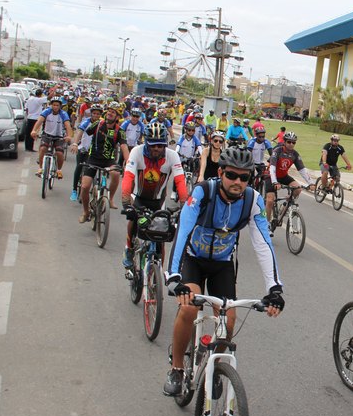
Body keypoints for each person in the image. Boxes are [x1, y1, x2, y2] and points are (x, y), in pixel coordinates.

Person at [162, 148, 285, 396]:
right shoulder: (203, 192)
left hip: (222, 264)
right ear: (220, 173)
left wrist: (274, 288)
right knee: (188, 308)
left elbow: (263, 243)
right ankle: (176, 368)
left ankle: (215, 369)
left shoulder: (252, 201)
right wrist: (173, 276)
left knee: (228, 321)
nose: (238, 182)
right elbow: (183, 229)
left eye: (244, 177)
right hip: (193, 260)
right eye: (231, 175)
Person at [121, 123, 189, 268]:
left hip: (159, 202)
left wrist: (185, 205)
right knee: (133, 220)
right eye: (152, 145)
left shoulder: (172, 156)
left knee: (161, 240)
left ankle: (156, 272)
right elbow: (128, 177)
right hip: (139, 198)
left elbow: (180, 181)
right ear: (146, 143)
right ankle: (129, 248)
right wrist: (126, 202)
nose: (156, 148)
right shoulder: (136, 152)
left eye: (160, 145)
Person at [75, 104, 126, 221]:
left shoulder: (120, 131)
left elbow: (124, 147)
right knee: (85, 186)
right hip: (93, 158)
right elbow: (83, 132)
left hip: (109, 160)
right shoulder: (98, 124)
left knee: (116, 174)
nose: (110, 113)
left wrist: (128, 162)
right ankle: (86, 212)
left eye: (114, 112)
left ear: (117, 117)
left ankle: (111, 198)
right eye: (109, 111)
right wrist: (75, 143)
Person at [264, 131, 315, 229]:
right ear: (284, 142)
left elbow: (302, 170)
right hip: (271, 176)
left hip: (283, 176)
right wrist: (275, 181)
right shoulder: (277, 151)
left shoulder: (295, 154)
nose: (291, 144)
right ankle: (266, 223)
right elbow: (272, 167)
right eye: (289, 142)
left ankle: (285, 205)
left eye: (293, 142)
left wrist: (311, 183)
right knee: (270, 200)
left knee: (298, 189)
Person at [31, 96, 73, 179]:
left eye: (57, 105)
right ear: (51, 105)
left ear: (60, 106)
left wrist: (69, 136)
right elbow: (39, 121)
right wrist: (34, 130)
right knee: (43, 149)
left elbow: (68, 126)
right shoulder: (47, 111)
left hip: (59, 136)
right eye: (54, 105)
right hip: (47, 134)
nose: (55, 107)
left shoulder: (63, 114)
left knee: (59, 153)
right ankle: (40, 168)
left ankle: (59, 170)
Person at [69, 103, 102, 202]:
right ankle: (74, 190)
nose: (96, 116)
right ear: (91, 114)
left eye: (98, 114)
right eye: (94, 113)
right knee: (79, 167)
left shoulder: (102, 124)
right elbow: (79, 133)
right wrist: (75, 143)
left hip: (95, 151)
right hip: (83, 148)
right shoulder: (86, 122)